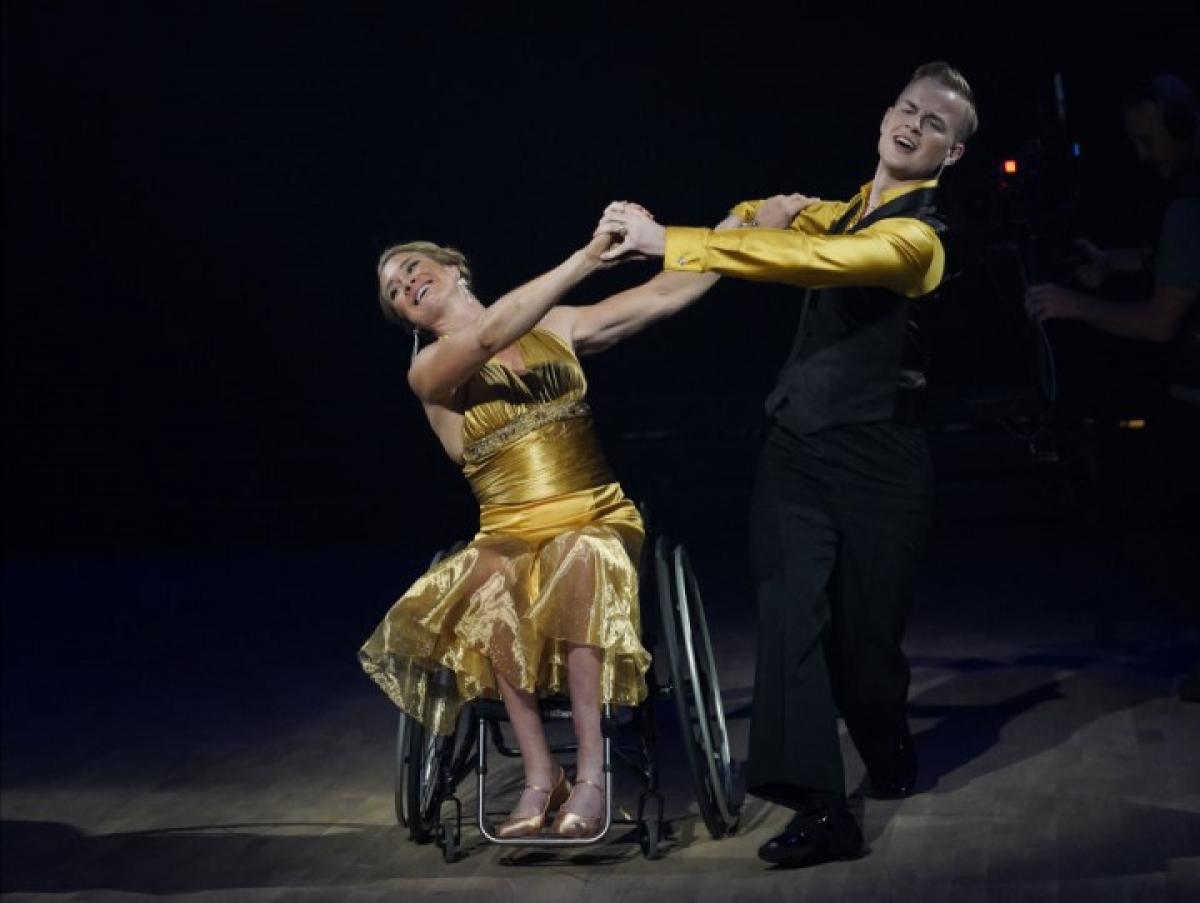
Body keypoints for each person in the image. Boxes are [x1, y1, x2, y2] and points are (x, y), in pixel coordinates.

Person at [599, 61, 978, 867]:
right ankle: (819, 806)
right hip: (797, 449)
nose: (914, 125)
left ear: (952, 154)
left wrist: (677, 240)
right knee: (788, 616)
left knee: (865, 654)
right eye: (907, 110)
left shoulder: (918, 238)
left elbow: (813, 263)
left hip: (882, 463)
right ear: (885, 116)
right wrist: (753, 214)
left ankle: (885, 736)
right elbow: (766, 227)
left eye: (935, 124)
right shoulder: (837, 213)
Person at [358, 221, 720, 838]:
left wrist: (737, 237)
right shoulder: (431, 371)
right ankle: (538, 774)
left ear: (454, 268)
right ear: (409, 321)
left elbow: (662, 294)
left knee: (582, 555)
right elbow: (493, 329)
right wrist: (587, 256)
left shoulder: (559, 327)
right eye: (394, 289)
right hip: (507, 529)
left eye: (414, 267)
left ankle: (592, 775)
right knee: (489, 578)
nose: (406, 283)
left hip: (594, 513)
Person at [1025, 74, 1199, 702]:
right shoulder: (1184, 202)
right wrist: (1116, 263)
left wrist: (1072, 303)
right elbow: (1171, 263)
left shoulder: (1187, 204)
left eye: (1149, 140)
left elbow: (1159, 322)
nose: (1143, 154)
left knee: (1163, 533)